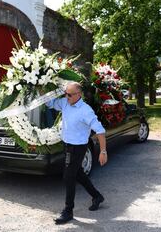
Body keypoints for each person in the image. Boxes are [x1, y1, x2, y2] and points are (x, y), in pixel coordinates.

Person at [46, 82, 108, 225]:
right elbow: (50, 104)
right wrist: (41, 87)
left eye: (69, 94)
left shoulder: (86, 111)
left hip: (79, 147)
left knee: (68, 176)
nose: (66, 97)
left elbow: (100, 131)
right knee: (78, 173)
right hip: (67, 145)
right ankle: (97, 196)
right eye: (65, 93)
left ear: (79, 95)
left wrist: (103, 151)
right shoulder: (65, 102)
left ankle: (68, 210)